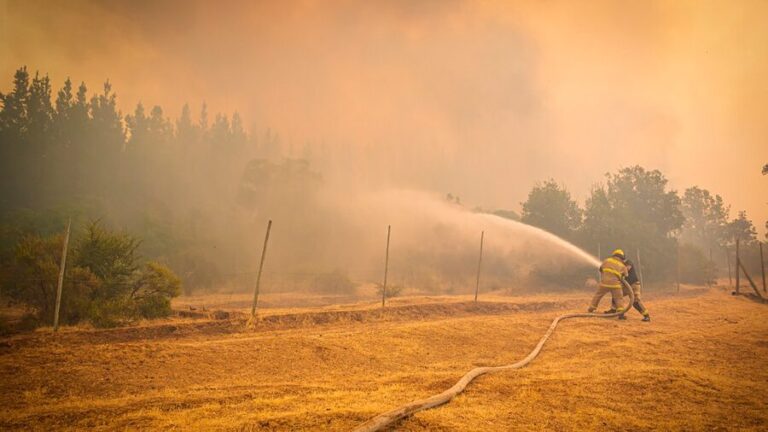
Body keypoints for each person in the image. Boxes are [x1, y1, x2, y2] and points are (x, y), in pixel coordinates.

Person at [587, 249, 628, 316]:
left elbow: (601, 269)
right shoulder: (622, 265)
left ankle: (591, 308)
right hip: (616, 285)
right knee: (619, 299)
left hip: (604, 283)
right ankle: (621, 314)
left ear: (614, 255)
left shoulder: (607, 260)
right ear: (622, 257)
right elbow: (626, 275)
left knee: (598, 295)